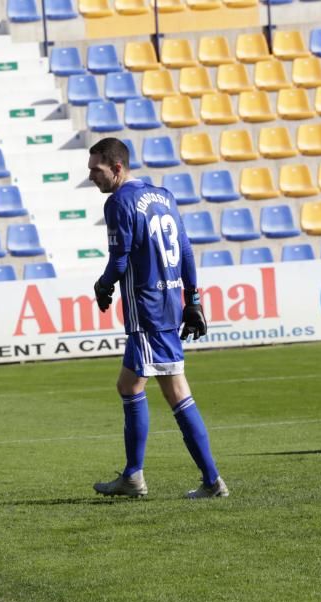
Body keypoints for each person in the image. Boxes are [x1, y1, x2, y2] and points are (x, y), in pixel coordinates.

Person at [86, 138, 228, 499]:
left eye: (96, 170)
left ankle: (201, 480)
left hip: (147, 309)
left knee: (167, 391)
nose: (91, 177)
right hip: (167, 303)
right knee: (136, 386)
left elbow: (120, 261)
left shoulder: (118, 201)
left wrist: (103, 287)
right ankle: (141, 476)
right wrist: (192, 300)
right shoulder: (164, 196)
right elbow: (185, 249)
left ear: (117, 168)